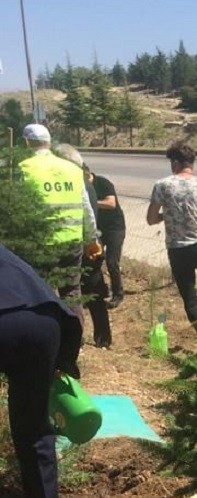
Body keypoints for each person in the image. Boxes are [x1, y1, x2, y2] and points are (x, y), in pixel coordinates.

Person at [0, 243, 83, 498]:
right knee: (34, 430)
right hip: (46, 324)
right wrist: (63, 363)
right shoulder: (8, 255)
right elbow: (59, 307)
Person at [19, 123, 98, 326]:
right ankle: (75, 342)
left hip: (40, 244)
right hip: (72, 242)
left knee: (42, 292)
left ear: (26, 142)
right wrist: (91, 240)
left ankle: (52, 340)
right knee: (72, 293)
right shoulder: (71, 169)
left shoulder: (23, 168)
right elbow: (86, 208)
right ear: (49, 143)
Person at [146, 141, 197, 324]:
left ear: (175, 162)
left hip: (177, 249)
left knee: (190, 299)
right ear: (191, 163)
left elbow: (151, 219)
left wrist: (168, 215)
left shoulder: (162, 185)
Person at [54, 144, 110, 349]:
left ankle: (73, 339)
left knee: (76, 291)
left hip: (83, 244)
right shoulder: (84, 182)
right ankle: (103, 338)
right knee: (94, 293)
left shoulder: (72, 182)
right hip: (91, 243)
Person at [84, 164, 126, 309]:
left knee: (112, 262)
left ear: (87, 173)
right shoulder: (81, 186)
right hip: (98, 229)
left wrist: (91, 203)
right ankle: (101, 290)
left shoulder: (103, 183)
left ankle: (118, 294)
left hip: (115, 229)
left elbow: (111, 203)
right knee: (94, 259)